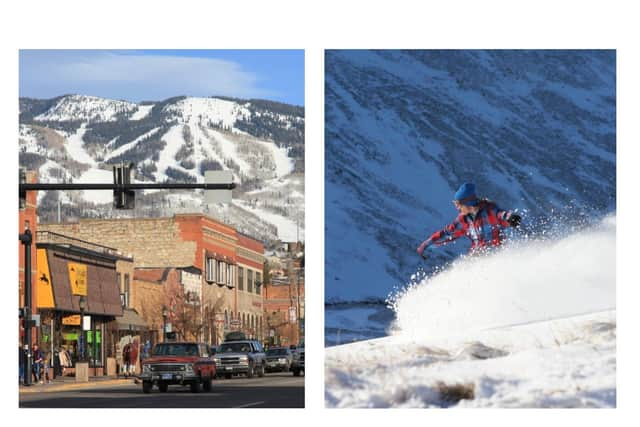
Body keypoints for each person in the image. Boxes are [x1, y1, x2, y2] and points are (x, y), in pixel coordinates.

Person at [417, 183, 521, 258]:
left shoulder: (489, 211)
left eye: (458, 204)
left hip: (496, 254)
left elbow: (501, 215)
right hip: (476, 257)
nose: (457, 208)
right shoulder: (463, 220)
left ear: (467, 203)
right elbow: (447, 234)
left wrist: (510, 218)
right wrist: (426, 245)